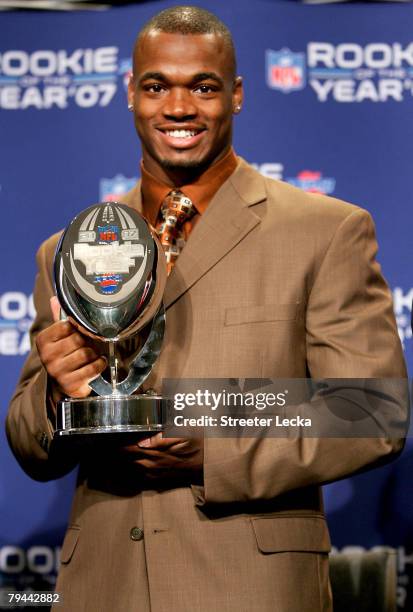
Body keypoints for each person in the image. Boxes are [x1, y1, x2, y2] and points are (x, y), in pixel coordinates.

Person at [6, 6, 408, 612]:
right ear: (131, 94)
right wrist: (58, 398)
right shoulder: (69, 250)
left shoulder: (326, 230)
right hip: (102, 586)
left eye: (203, 86)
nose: (179, 108)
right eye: (157, 86)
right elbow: (29, 443)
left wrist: (217, 448)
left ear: (237, 95)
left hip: (252, 587)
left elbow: (371, 410)